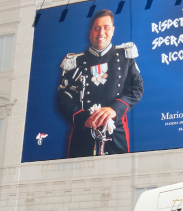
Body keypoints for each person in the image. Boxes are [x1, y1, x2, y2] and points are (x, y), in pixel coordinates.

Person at [57, 9, 143, 158]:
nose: (101, 32)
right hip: (82, 134)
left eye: (106, 27)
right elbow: (63, 97)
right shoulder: (75, 62)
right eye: (97, 28)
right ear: (90, 32)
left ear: (113, 30)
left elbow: (137, 88)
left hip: (115, 132)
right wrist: (83, 119)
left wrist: (114, 110)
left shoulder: (125, 57)